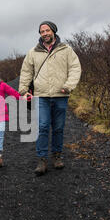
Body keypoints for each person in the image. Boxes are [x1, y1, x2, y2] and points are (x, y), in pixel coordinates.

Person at [19, 21, 81, 175]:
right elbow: (26, 71)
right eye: (42, 31)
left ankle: (57, 156)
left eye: (47, 30)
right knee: (43, 127)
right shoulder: (33, 52)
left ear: (53, 31)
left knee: (58, 128)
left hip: (61, 95)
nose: (45, 33)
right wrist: (23, 90)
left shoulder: (66, 50)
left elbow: (75, 68)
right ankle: (42, 159)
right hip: (41, 96)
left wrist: (68, 85)